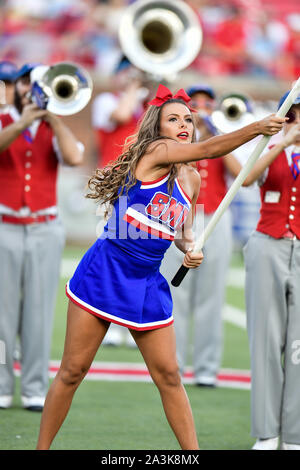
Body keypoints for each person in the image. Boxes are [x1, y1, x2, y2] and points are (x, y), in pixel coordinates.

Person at [35, 83, 284, 450]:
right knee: (72, 372)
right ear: (158, 127)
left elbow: (182, 229)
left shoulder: (193, 179)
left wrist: (189, 248)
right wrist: (255, 128)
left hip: (147, 281)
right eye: (173, 119)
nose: (183, 124)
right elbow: (209, 148)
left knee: (169, 375)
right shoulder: (156, 151)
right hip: (106, 270)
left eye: (187, 118)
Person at [0, 63, 84, 412]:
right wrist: (23, 121)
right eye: (25, 83)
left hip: (45, 227)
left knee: (39, 310)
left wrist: (53, 118)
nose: (29, 89)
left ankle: (34, 386)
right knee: (2, 313)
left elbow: (75, 156)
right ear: (19, 87)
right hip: (5, 224)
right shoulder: (6, 119)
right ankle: (2, 384)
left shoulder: (54, 125)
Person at [160, 84, 241, 387]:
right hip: (179, 216)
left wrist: (214, 131)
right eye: (196, 105)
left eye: (208, 103)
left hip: (216, 217)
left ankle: (207, 368)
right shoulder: (174, 142)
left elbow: (241, 174)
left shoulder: (222, 138)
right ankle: (174, 365)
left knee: (211, 295)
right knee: (175, 293)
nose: (202, 108)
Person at [242, 93, 300, 450]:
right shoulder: (270, 144)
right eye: (292, 113)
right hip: (268, 242)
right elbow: (246, 178)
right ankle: (267, 432)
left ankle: (294, 434)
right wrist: (282, 142)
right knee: (265, 341)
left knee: (298, 347)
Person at [92, 54, 152, 347]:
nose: (130, 76)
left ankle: (129, 321)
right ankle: (109, 322)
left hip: (141, 189)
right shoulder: (106, 101)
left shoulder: (147, 107)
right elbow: (119, 116)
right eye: (125, 71)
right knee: (112, 257)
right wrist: (133, 86)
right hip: (113, 187)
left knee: (136, 259)